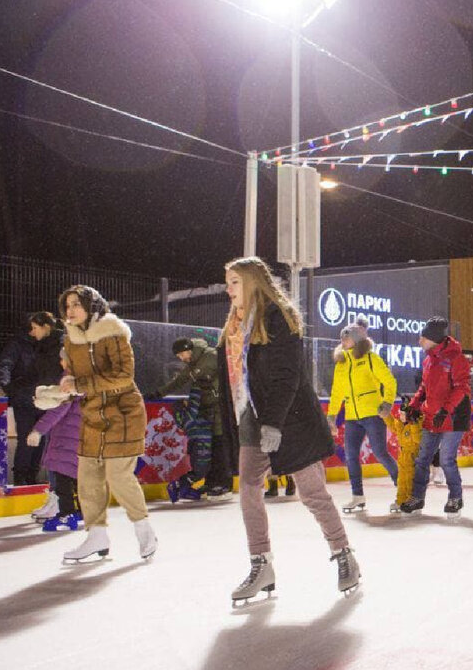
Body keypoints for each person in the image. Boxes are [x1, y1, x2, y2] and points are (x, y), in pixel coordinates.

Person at [218, 258, 358, 604]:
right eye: (228, 282)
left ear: (252, 282)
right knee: (249, 488)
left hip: (288, 417)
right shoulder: (234, 325)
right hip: (250, 415)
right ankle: (261, 564)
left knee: (312, 492)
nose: (228, 289)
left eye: (235, 281)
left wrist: (274, 423)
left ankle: (344, 555)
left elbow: (287, 375)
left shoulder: (277, 318)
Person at [57, 286, 158, 563]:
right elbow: (75, 378)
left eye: (76, 304)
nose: (70, 311)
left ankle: (143, 529)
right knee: (88, 478)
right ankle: (97, 536)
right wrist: (62, 389)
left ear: (92, 306)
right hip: (92, 413)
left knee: (118, 476)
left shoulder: (112, 332)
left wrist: (81, 385)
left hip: (122, 412)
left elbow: (124, 376)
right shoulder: (71, 340)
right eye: (67, 306)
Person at [398, 317, 472, 517]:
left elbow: (462, 388)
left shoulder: (457, 358)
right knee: (422, 459)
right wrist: (413, 406)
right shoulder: (428, 359)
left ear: (434, 339)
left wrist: (445, 410)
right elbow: (424, 387)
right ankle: (417, 498)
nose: (419, 341)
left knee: (447, 459)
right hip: (432, 415)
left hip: (453, 417)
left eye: (422, 338)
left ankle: (455, 497)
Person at [327, 316, 398, 515]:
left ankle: (405, 490)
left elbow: (389, 381)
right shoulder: (341, 364)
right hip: (352, 417)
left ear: (357, 340)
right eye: (342, 339)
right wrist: (332, 415)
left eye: (346, 338)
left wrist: (386, 403)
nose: (343, 342)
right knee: (350, 455)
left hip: (372, 414)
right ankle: (357, 496)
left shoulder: (370, 359)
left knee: (380, 452)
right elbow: (337, 392)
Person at [147, 336, 231, 502]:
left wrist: (217, 387)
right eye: (179, 357)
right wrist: (158, 393)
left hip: (221, 408)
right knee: (212, 447)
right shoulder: (193, 365)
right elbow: (179, 381)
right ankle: (212, 482)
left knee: (221, 445)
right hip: (209, 410)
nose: (182, 359)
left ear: (189, 349)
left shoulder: (211, 356)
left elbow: (228, 374)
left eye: (182, 355)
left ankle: (222, 484)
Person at [0, 311, 64, 485]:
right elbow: (10, 366)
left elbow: (38, 374)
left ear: (45, 327)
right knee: (27, 438)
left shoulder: (54, 345)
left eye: (35, 327)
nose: (32, 331)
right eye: (31, 328)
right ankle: (22, 477)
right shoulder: (21, 345)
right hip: (25, 399)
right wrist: (5, 389)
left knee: (41, 439)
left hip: (47, 400)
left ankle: (34, 477)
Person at [27, 354, 82, 531]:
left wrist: (38, 430)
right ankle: (84, 511)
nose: (60, 362)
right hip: (80, 435)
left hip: (66, 437)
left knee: (62, 476)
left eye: (62, 358)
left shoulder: (69, 379)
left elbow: (59, 408)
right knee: (79, 477)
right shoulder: (87, 377)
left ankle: (67, 514)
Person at [382, 396, 423, 514]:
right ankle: (400, 500)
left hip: (413, 456)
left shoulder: (416, 424)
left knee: (410, 480)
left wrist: (414, 424)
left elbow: (417, 440)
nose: (400, 416)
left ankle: (411, 501)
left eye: (403, 414)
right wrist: (386, 416)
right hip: (402, 456)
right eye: (399, 414)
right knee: (401, 480)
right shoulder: (400, 424)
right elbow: (392, 425)